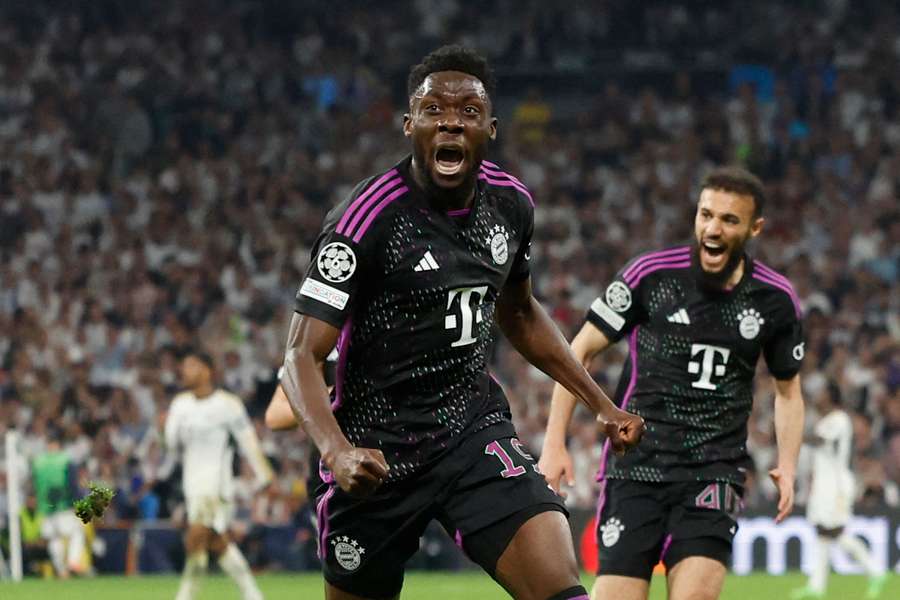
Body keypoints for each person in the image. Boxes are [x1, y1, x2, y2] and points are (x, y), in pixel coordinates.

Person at [282, 45, 644, 600]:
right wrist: (336, 451)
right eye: (434, 110)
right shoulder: (366, 220)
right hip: (376, 452)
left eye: (468, 112)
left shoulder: (511, 204)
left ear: (490, 128)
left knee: (562, 589)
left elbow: (519, 313)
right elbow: (299, 356)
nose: (451, 121)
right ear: (410, 125)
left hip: (471, 433)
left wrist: (601, 402)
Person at [539, 166, 806, 600]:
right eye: (706, 215)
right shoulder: (652, 275)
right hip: (636, 466)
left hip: (713, 472)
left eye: (729, 220)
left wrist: (789, 465)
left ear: (755, 228)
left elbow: (788, 391)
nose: (713, 229)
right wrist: (554, 442)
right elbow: (578, 351)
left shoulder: (774, 299)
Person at [164, 349, 273, 600]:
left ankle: (185, 595)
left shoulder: (227, 404)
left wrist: (264, 475)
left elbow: (248, 442)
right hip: (192, 483)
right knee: (216, 542)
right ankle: (252, 593)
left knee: (195, 538)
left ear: (207, 370)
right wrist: (165, 430)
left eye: (191, 365)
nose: (184, 370)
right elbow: (172, 446)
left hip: (216, 484)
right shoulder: (180, 405)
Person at [791, 382, 886, 599]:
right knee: (822, 533)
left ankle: (875, 570)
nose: (818, 395)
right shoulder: (823, 421)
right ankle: (816, 587)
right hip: (823, 485)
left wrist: (793, 433)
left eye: (822, 392)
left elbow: (822, 441)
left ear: (831, 395)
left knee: (835, 532)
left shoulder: (839, 419)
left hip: (836, 484)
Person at [32, 431, 86, 578]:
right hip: (63, 505)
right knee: (77, 532)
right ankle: (73, 562)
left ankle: (61, 570)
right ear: (58, 445)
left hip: (45, 508)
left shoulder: (38, 462)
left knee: (54, 538)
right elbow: (72, 484)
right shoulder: (65, 460)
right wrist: (77, 503)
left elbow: (34, 485)